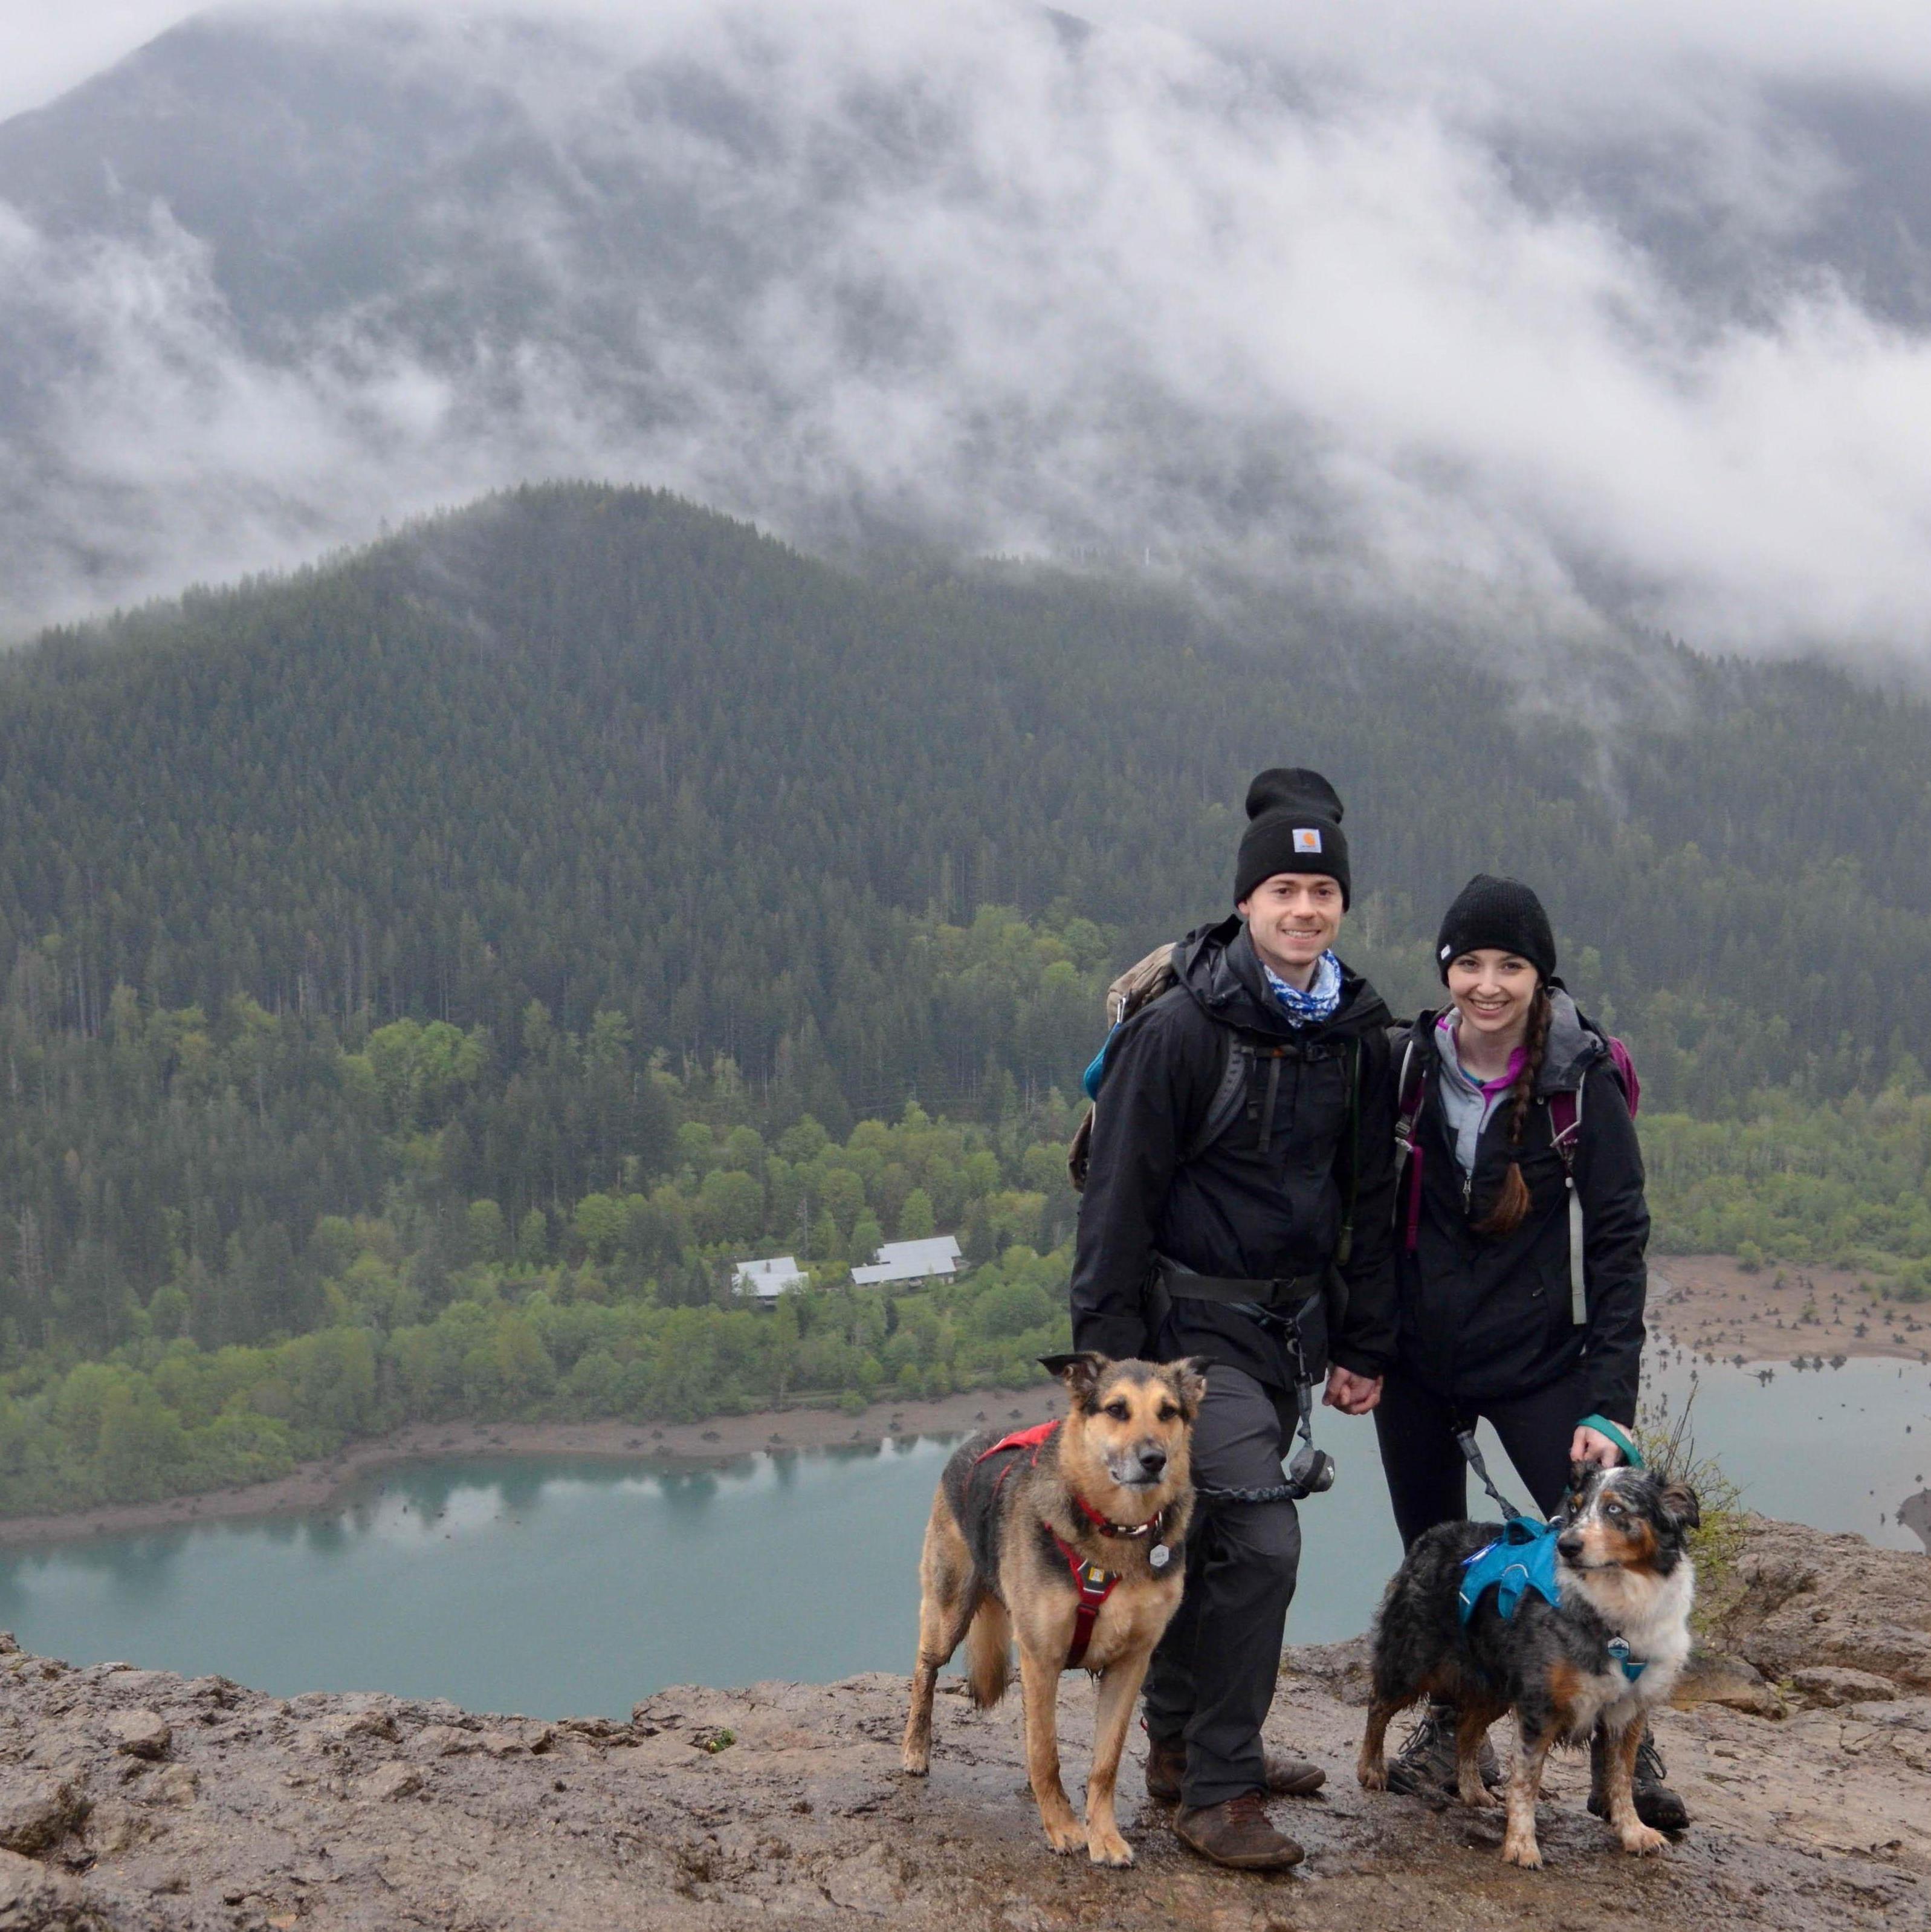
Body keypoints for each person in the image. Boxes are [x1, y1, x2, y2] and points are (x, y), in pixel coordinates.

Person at [1070, 767, 1397, 1871]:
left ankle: (1176, 1749)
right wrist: (1106, 1370)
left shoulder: (1355, 1034)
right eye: (1284, 891)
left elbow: (1368, 1201)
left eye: (1323, 892)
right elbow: (1116, 1198)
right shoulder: (1183, 1031)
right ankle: (1219, 1787)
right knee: (1261, 1537)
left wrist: (1363, 1339)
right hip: (1183, 1339)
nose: (1305, 910)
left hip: (1288, 1337)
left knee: (1200, 1539)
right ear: (1246, 902)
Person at [1372, 874, 1686, 1829]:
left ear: (1541, 977)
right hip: (1417, 1364)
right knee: (1438, 1561)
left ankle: (1622, 1746)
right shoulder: (1407, 1069)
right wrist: (1359, 1344)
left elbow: (1619, 1241)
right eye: (1469, 963)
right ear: (1445, 970)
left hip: (1537, 1359)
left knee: (1587, 1555)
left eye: (1512, 965)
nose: (1489, 984)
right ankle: (1448, 1722)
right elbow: (1359, 1214)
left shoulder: (1580, 1081)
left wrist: (1609, 1401)